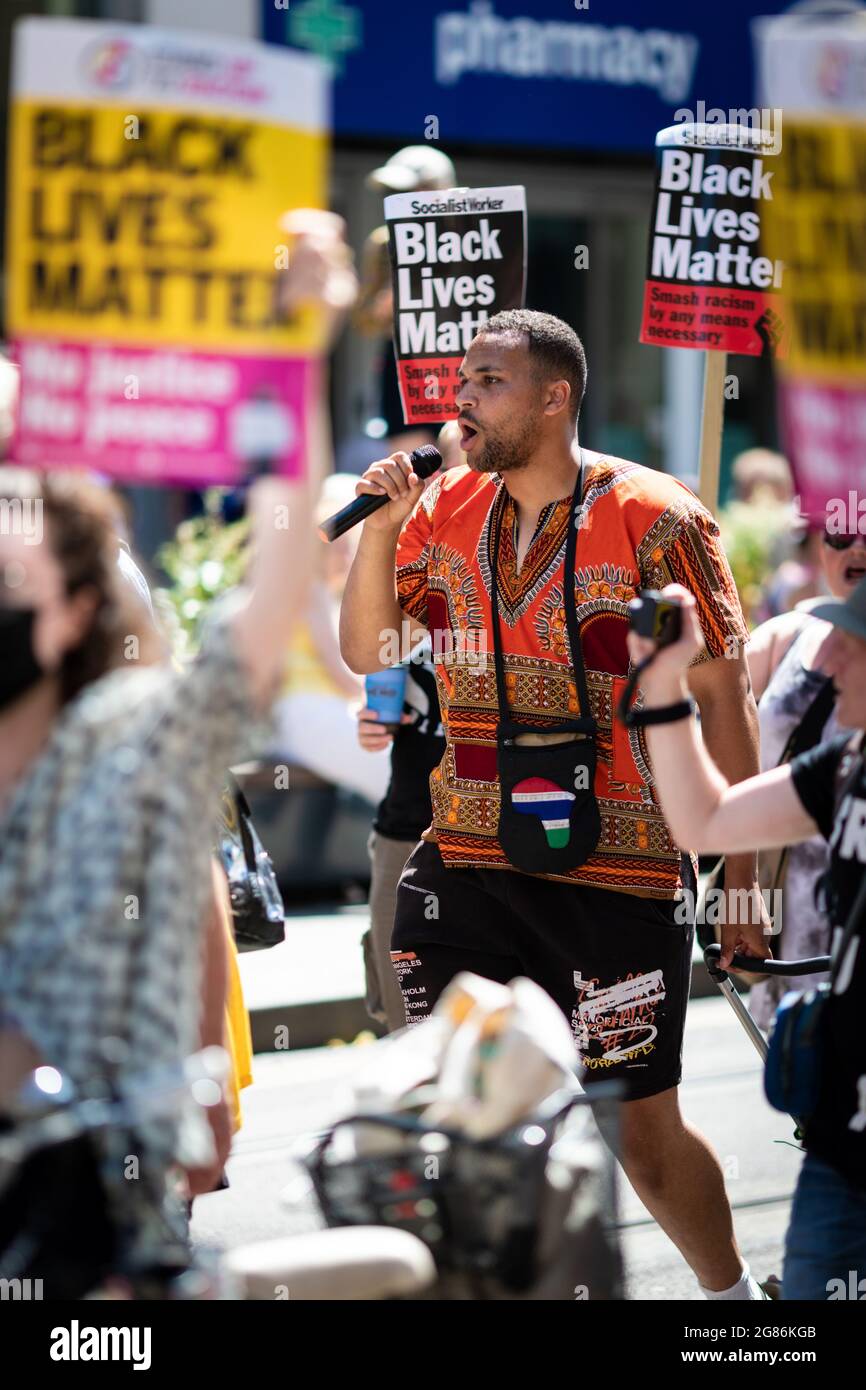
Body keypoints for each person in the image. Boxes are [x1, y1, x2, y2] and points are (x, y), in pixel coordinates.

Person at [340, 308, 774, 1300]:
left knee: (638, 1129)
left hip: (615, 880)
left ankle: (734, 1303)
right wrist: (378, 528)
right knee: (446, 1107)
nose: (462, 399)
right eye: (462, 380)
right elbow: (369, 653)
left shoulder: (657, 517)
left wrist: (743, 882)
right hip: (462, 866)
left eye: (487, 380)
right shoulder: (443, 511)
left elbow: (722, 700)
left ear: (553, 395)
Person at [0, 218, 350, 1279]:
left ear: (68, 609)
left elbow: (274, 587)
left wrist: (297, 355)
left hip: (99, 1234)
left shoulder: (132, 737)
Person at [626, 576, 866, 1301]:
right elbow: (707, 822)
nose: (829, 662)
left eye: (854, 642)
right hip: (842, 1148)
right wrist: (665, 686)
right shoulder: (849, 765)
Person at [357, 422, 464, 1030]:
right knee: (411, 1046)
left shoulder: (534, 558)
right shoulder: (409, 559)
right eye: (447, 469)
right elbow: (372, 654)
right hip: (407, 829)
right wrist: (375, 718)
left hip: (506, 840)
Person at [745, 526, 865, 1028]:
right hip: (786, 923)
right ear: (821, 549)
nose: (856, 547)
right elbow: (710, 720)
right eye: (841, 533)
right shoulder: (786, 636)